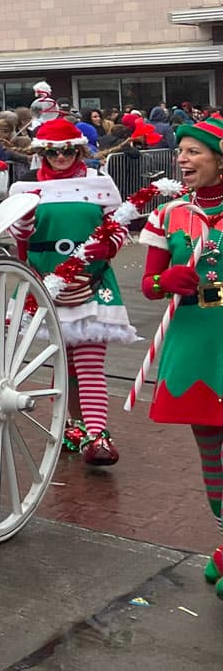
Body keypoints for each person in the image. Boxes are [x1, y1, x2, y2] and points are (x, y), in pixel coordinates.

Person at [8, 117, 137, 466]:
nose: (61, 157)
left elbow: (118, 229)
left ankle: (97, 435)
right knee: (64, 363)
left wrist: (103, 250)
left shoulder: (99, 184)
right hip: (48, 284)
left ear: (78, 149)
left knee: (90, 362)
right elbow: (20, 237)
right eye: (53, 151)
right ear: (42, 154)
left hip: (91, 284)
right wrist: (25, 221)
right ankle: (71, 424)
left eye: (67, 150)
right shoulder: (27, 186)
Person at [138, 116, 223, 599]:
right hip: (192, 343)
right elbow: (150, 286)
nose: (182, 160)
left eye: (194, 152)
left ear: (218, 158)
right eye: (182, 151)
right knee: (210, 455)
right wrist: (165, 282)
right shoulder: (169, 214)